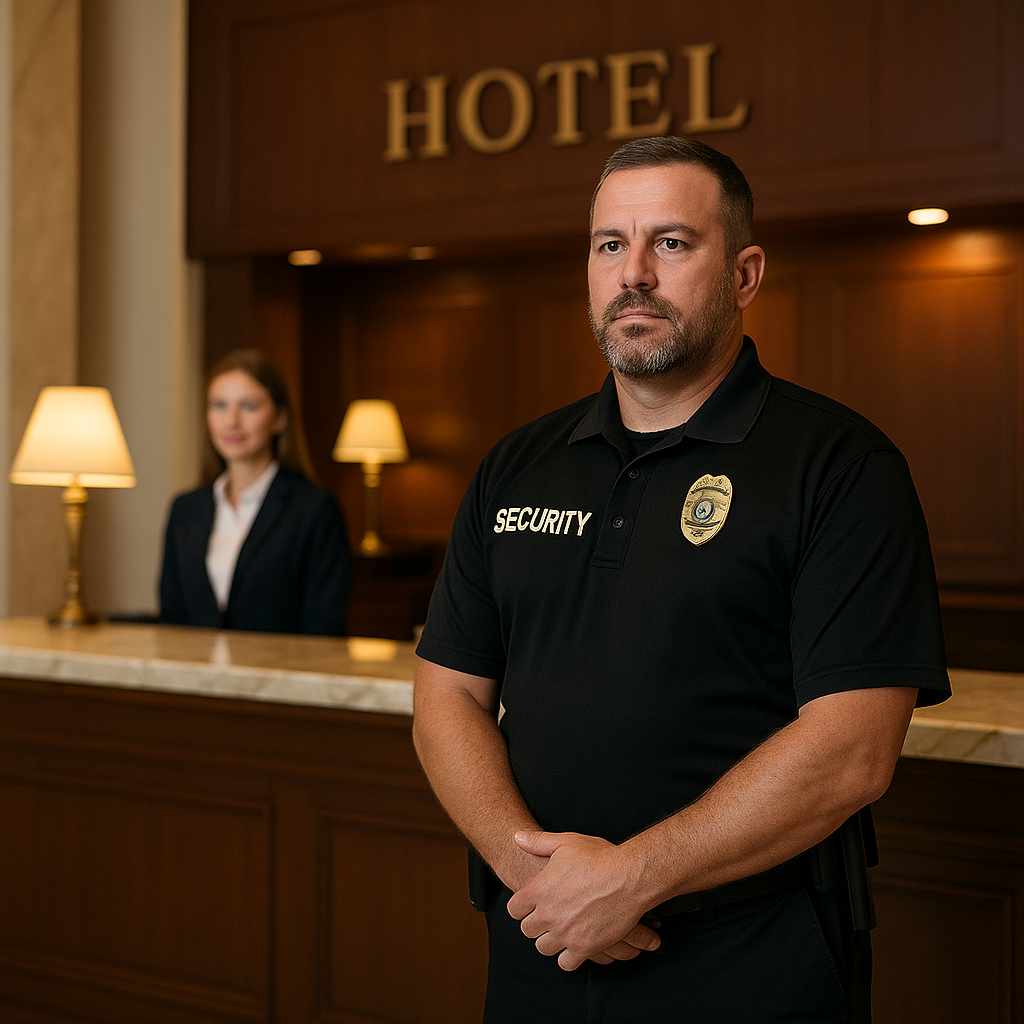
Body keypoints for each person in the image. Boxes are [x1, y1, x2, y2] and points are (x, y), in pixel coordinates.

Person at [412, 137, 950, 1023]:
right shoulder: (516, 466)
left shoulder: (843, 466)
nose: (635, 275)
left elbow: (854, 750)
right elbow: (447, 700)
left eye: (671, 243)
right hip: (541, 946)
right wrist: (542, 884)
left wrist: (629, 880)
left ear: (743, 272)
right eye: (608, 245)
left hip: (751, 962)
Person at [159, 349, 351, 635]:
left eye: (249, 406)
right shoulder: (186, 508)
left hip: (282, 676)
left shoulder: (315, 509)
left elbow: (324, 625)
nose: (232, 420)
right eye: (219, 405)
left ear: (280, 419)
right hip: (194, 677)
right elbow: (172, 618)